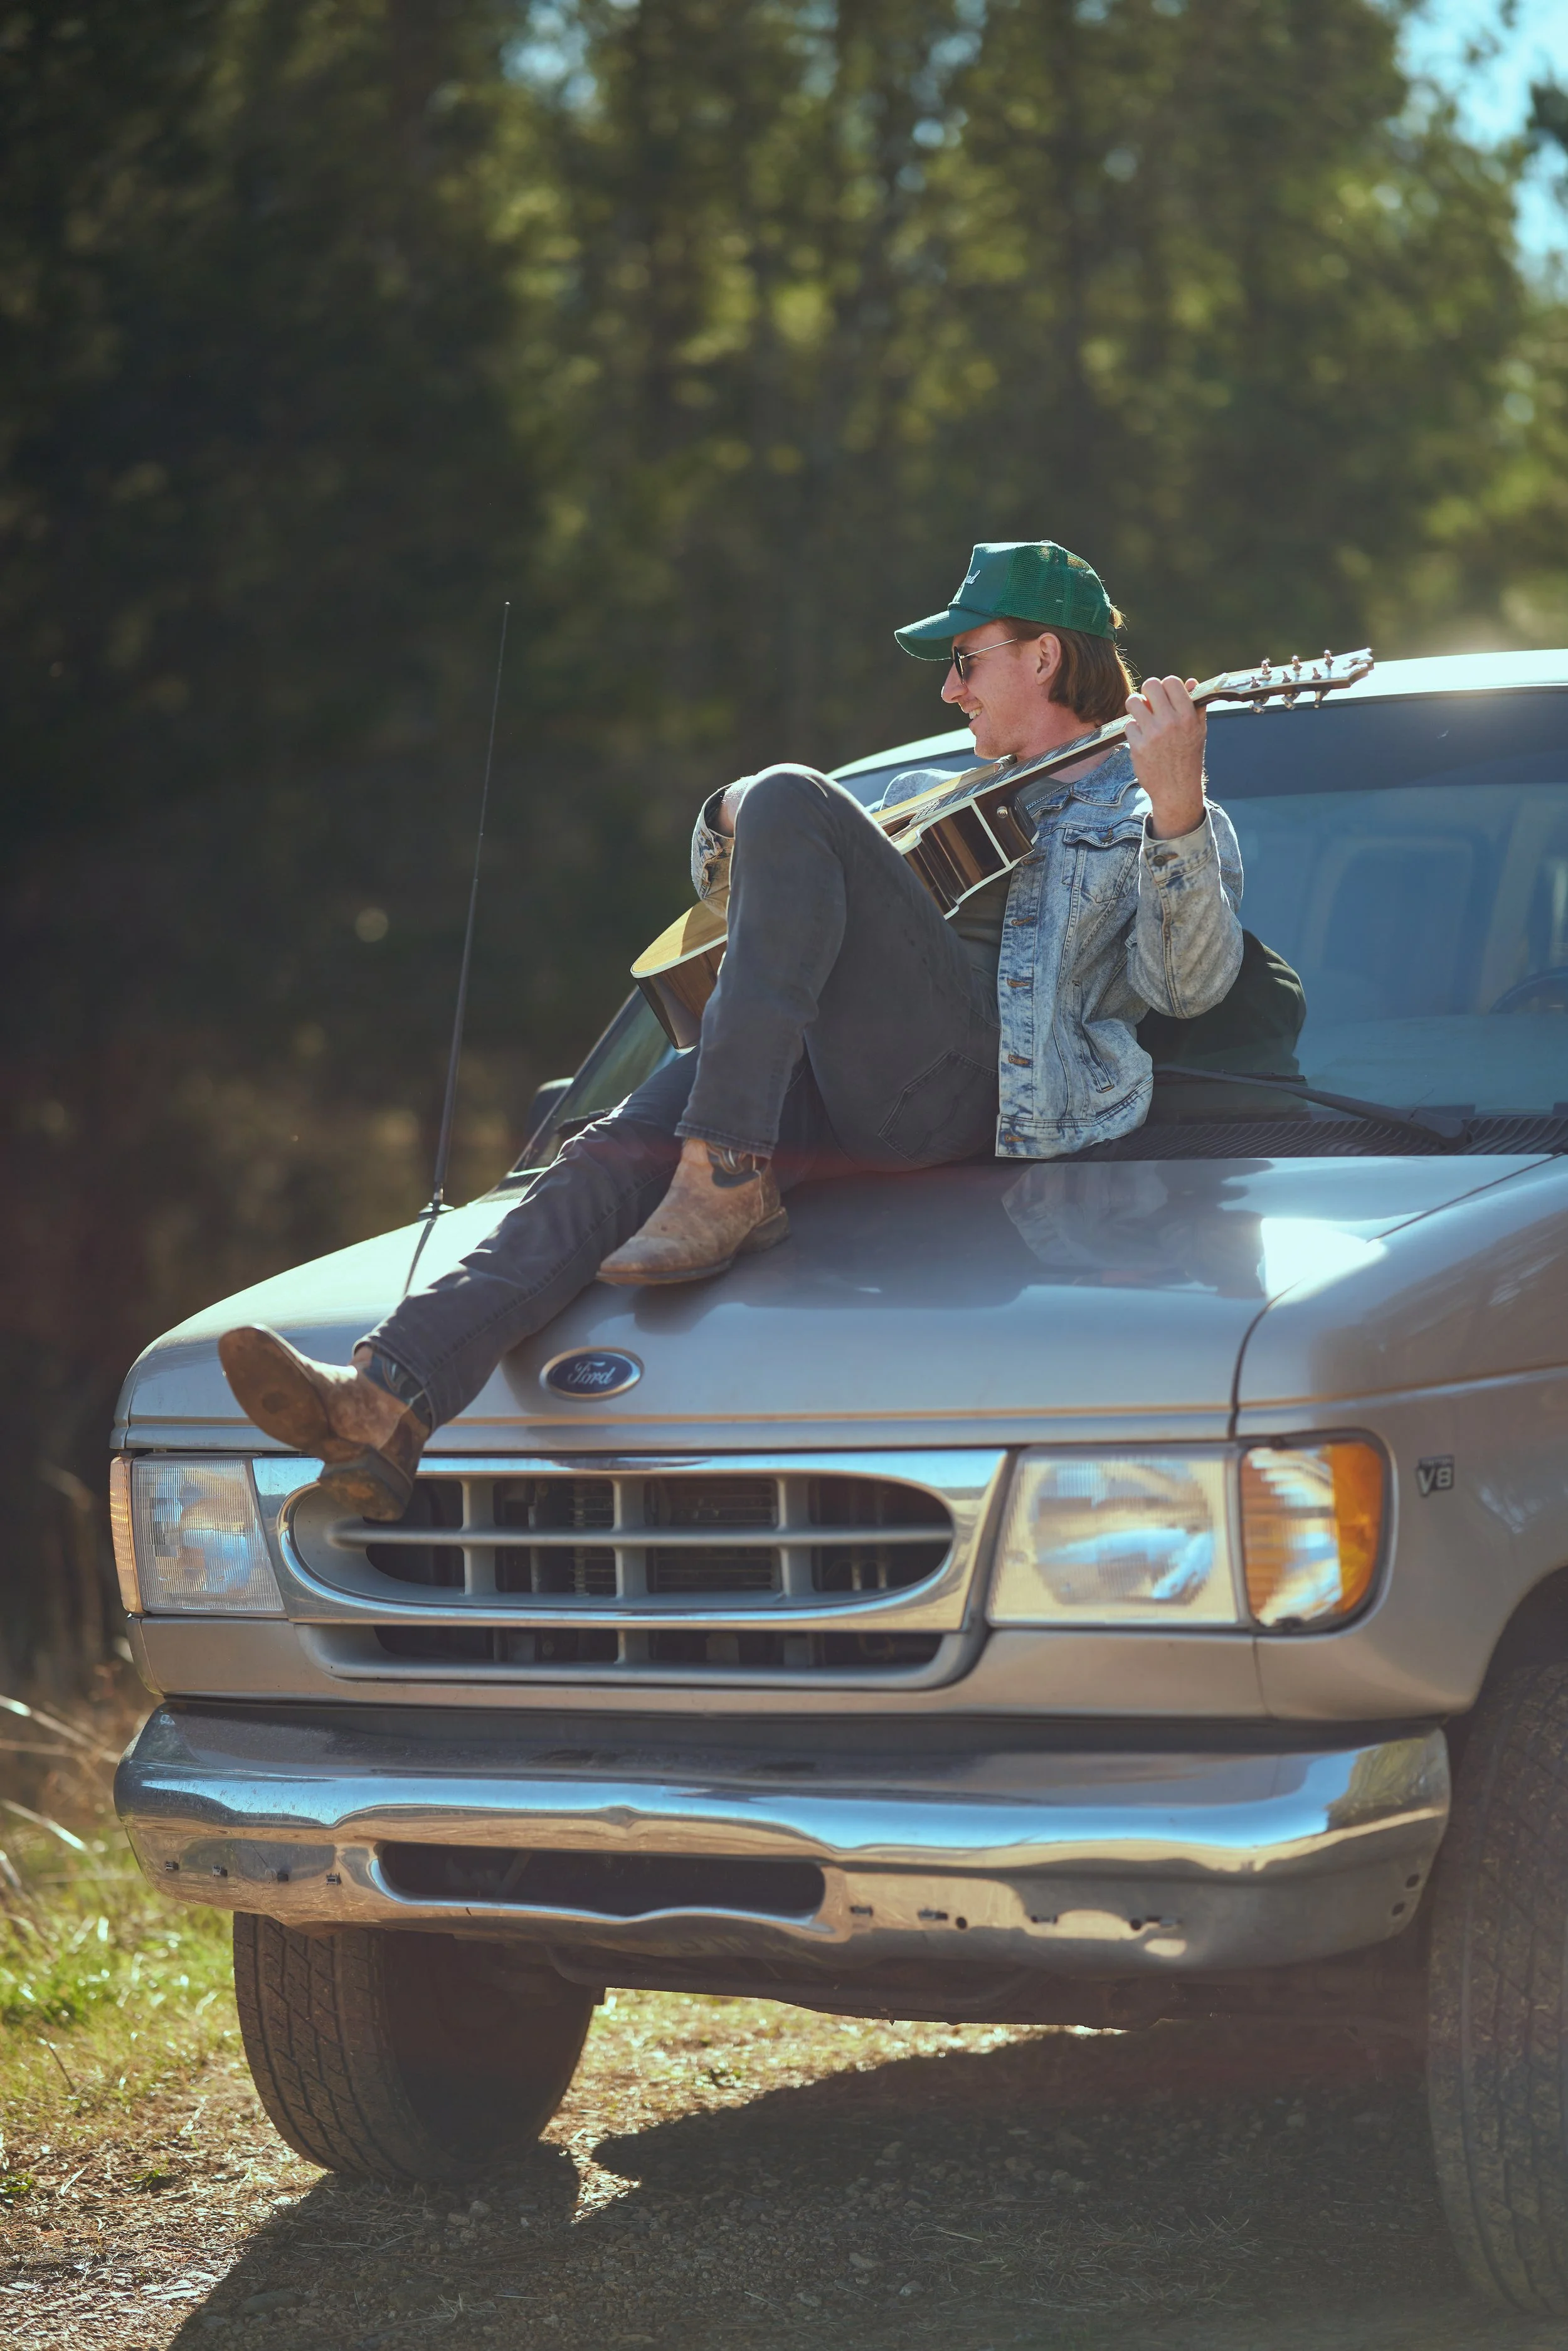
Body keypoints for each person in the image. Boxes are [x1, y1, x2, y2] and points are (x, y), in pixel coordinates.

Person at [219, 539, 1244, 1520]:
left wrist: (1179, 809)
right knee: (609, 1155)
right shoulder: (925, 796)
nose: (949, 689)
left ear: (1047, 656)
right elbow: (735, 896)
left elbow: (1191, 987)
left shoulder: (1148, 800)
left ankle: (725, 1175)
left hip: (981, 1088)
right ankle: (383, 1403)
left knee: (797, 798)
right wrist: (733, 811)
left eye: (966, 661)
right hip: (829, 1081)